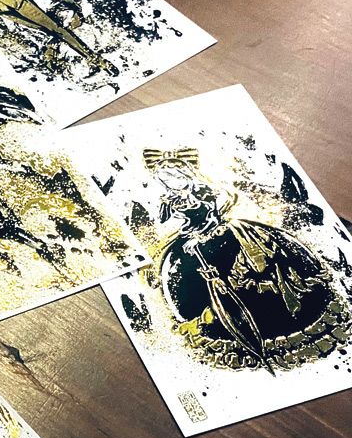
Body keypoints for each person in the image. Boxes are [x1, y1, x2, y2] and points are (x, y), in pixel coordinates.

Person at [145, 148, 350, 371]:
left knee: (256, 274)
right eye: (164, 179)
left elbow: (213, 213)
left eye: (173, 176)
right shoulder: (172, 198)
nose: (169, 182)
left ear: (186, 173)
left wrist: (198, 231)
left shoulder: (202, 190)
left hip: (224, 236)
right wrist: (173, 206)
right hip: (192, 243)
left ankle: (276, 329)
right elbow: (166, 219)